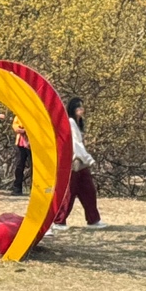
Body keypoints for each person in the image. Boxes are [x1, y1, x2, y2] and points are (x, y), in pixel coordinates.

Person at [52, 97, 106, 231]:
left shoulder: (78, 122)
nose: (82, 110)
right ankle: (59, 221)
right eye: (79, 107)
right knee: (69, 192)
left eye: (82, 107)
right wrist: (89, 159)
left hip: (80, 162)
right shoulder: (70, 122)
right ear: (73, 109)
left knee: (88, 191)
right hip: (74, 161)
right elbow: (75, 144)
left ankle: (93, 219)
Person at [10, 114, 30, 196]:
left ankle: (34, 188)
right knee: (19, 165)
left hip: (32, 144)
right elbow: (15, 125)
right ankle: (17, 188)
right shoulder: (19, 115)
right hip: (20, 143)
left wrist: (26, 130)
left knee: (34, 166)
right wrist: (20, 129)